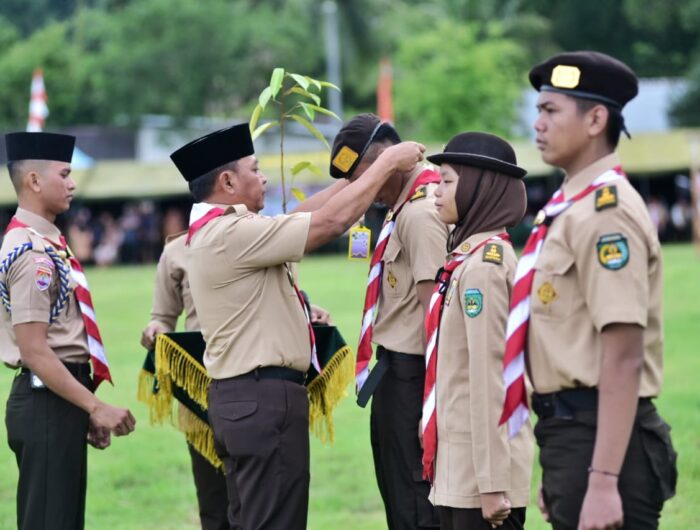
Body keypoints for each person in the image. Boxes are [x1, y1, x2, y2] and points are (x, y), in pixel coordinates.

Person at [169, 122, 425, 529]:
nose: (264, 176)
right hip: (260, 399)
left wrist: (356, 175)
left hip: (241, 399)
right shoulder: (230, 233)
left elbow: (302, 216)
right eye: (255, 168)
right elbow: (328, 224)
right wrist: (388, 162)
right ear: (228, 180)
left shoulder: (220, 229)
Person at [500, 51, 677, 530]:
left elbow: (623, 355)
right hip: (573, 434)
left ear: (596, 119)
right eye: (538, 110)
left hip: (599, 432)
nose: (537, 123)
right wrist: (564, 464)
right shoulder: (569, 210)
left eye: (551, 110)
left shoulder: (606, 212)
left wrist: (601, 481)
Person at [0, 131, 136, 530]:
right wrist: (96, 406)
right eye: (65, 173)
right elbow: (35, 350)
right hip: (46, 403)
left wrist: (82, 406)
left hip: (59, 399)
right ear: (35, 181)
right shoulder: (32, 254)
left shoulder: (48, 242)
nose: (73, 183)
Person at [330, 113, 447, 530]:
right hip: (395, 374)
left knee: (416, 503)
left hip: (414, 376)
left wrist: (434, 405)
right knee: (401, 498)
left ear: (388, 161)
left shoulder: (421, 211)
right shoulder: (400, 207)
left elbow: (437, 318)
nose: (362, 192)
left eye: (366, 178)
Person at [422, 132, 534, 529]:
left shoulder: (484, 268)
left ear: (478, 189)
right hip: (461, 471)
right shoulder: (464, 261)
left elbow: (490, 380)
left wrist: (490, 483)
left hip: (481, 480)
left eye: (447, 181)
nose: (435, 190)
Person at [140, 230, 233, 530]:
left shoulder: (265, 233)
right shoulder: (177, 249)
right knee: (214, 504)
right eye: (254, 176)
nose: (260, 179)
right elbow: (163, 316)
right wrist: (155, 328)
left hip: (260, 383)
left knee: (266, 505)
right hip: (202, 394)